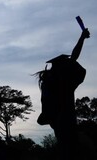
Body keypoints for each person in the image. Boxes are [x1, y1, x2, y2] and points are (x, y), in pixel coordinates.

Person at [35, 28, 90, 160]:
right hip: (64, 119)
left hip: (58, 120)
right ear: (61, 66)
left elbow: (73, 59)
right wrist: (82, 38)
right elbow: (74, 57)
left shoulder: (49, 81)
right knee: (71, 149)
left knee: (66, 148)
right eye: (66, 63)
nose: (70, 63)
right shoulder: (60, 80)